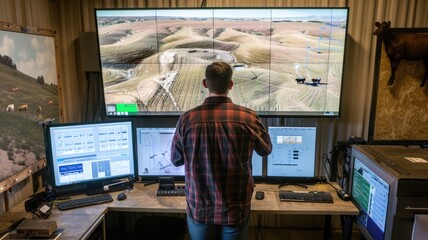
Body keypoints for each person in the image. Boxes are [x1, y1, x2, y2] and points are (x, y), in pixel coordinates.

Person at [171, 61, 272, 240]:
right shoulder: (248, 118)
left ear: (205, 83)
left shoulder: (187, 119)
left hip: (200, 207)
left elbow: (176, 159)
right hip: (235, 207)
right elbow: (266, 150)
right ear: (231, 85)